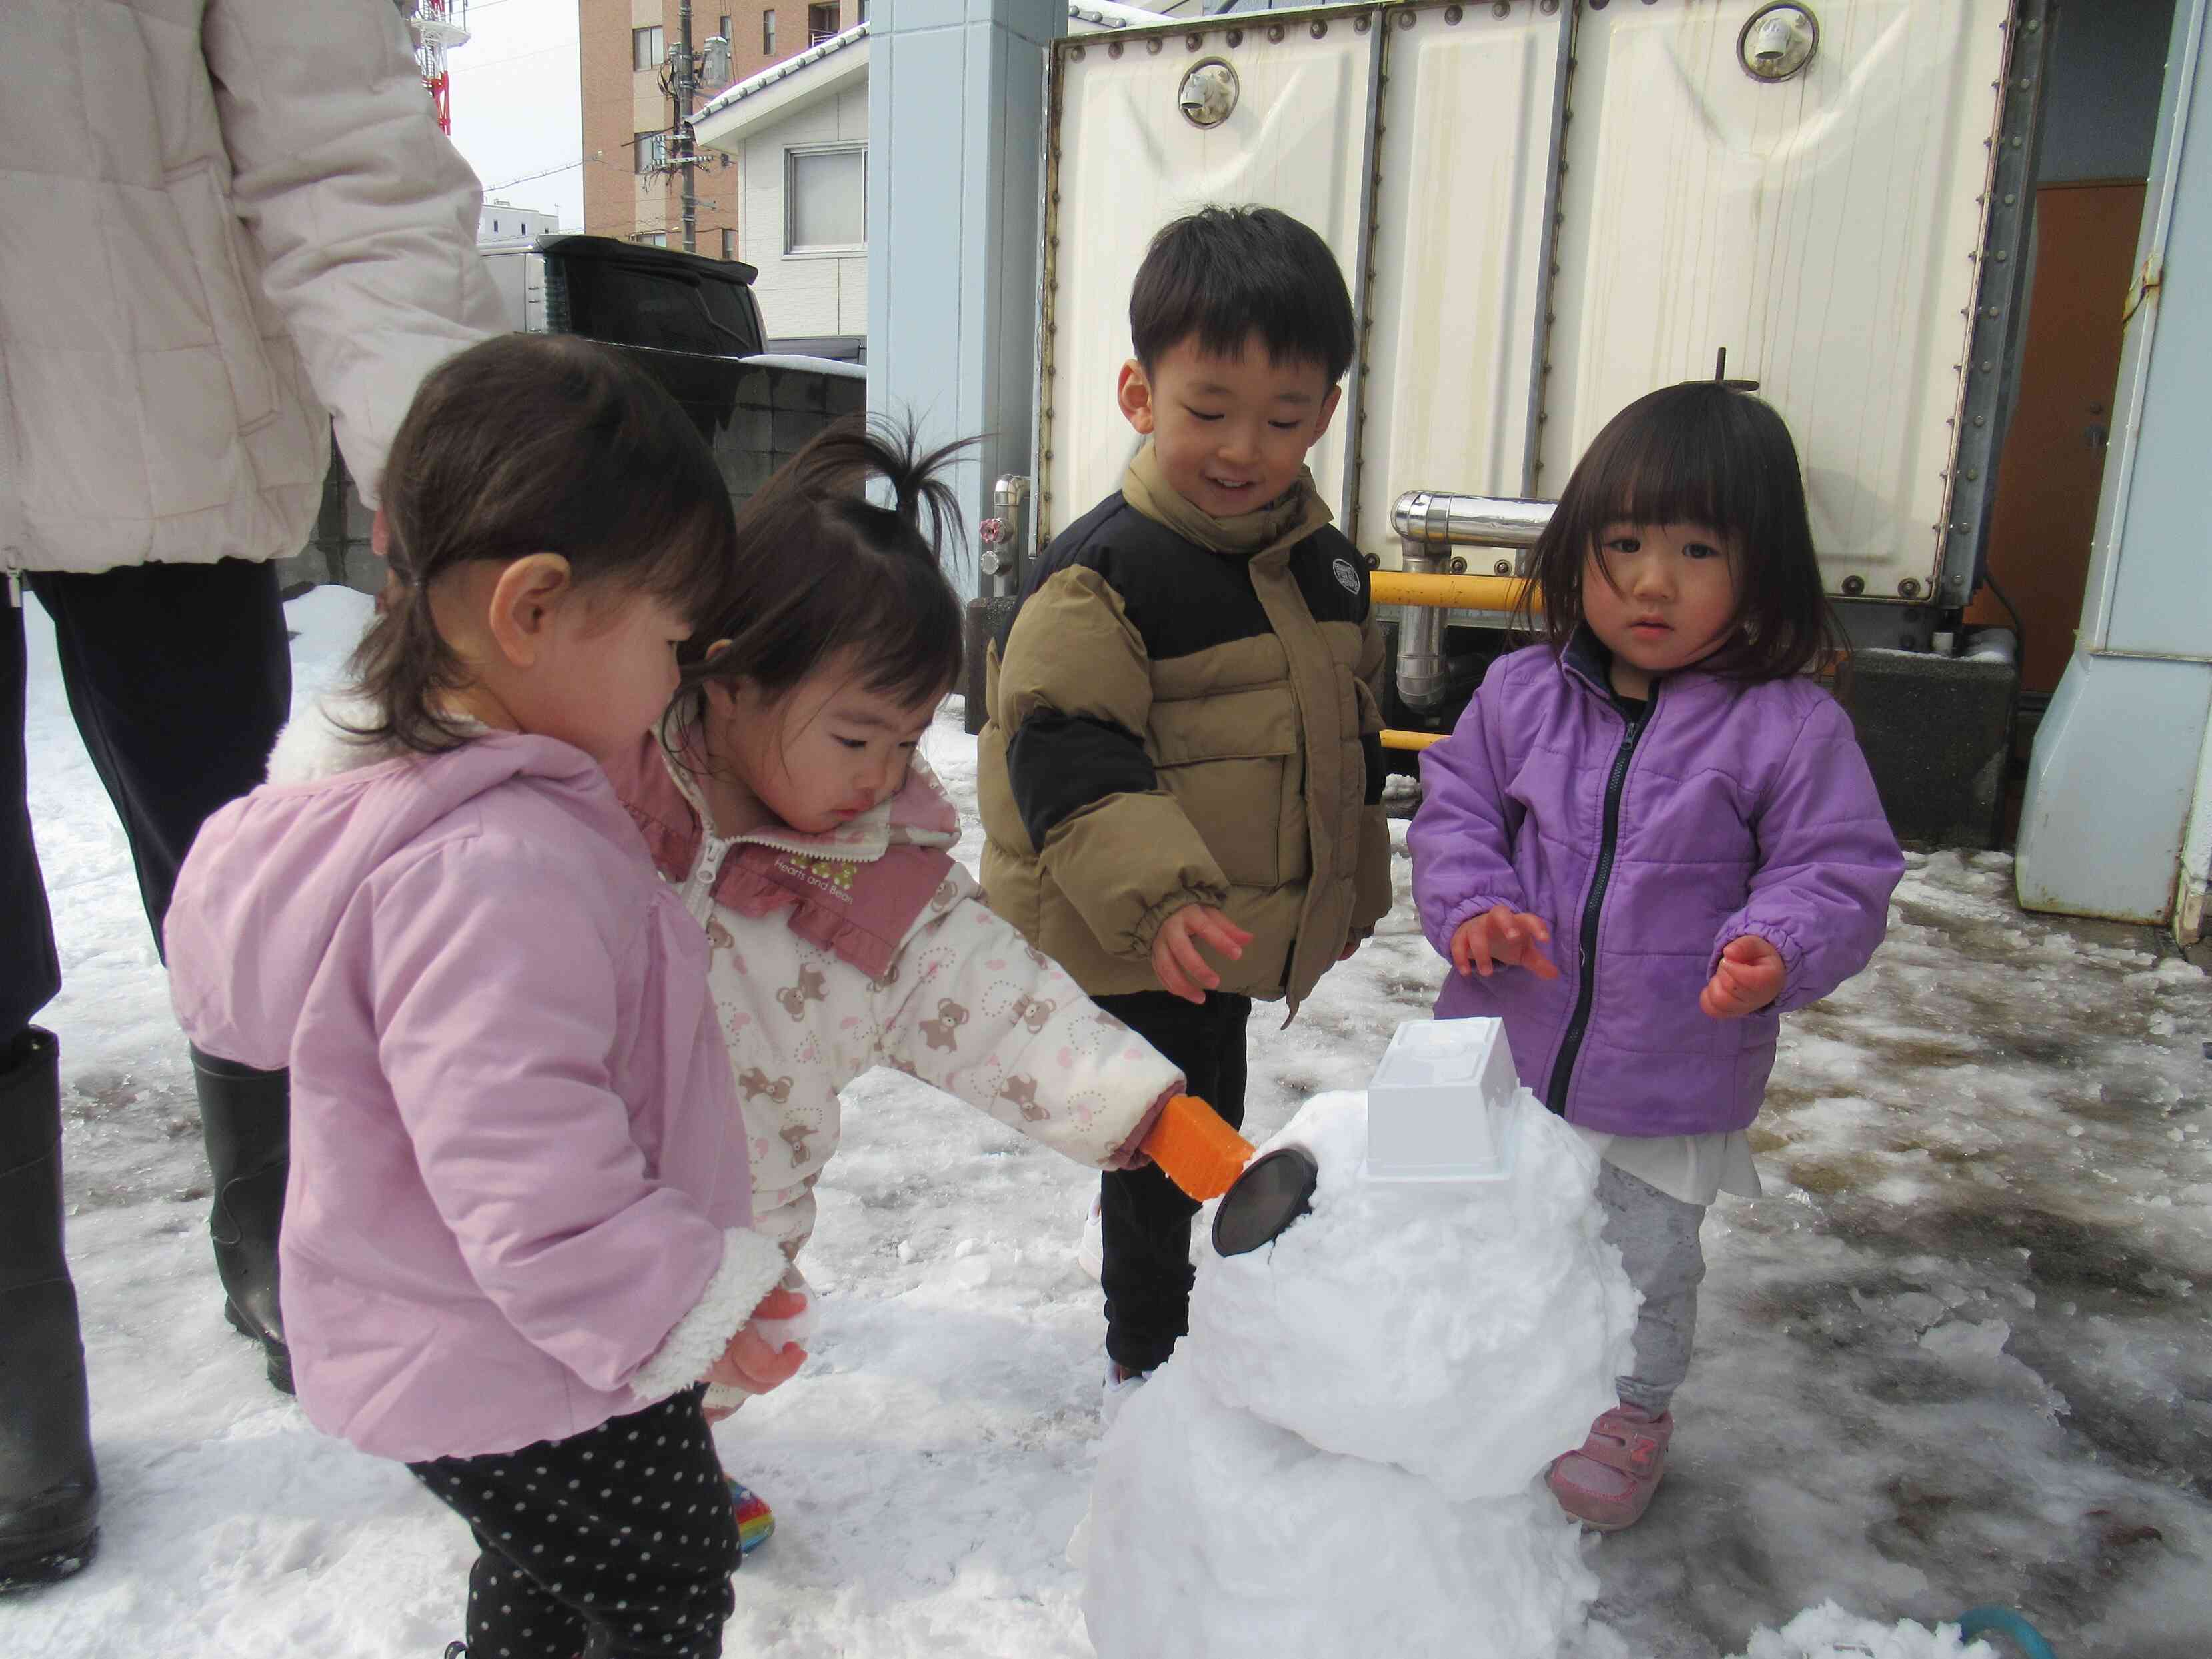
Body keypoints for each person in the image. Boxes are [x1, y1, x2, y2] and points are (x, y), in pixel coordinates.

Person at [162, 335, 805, 1659]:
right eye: (671, 640)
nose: (676, 683)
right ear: (532, 611)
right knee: (659, 1580)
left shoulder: (461, 810)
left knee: (556, 1572)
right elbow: (529, 1168)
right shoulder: (488, 866)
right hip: (529, 1351)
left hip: (506, 1338)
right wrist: (690, 1299)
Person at [0, 0, 505, 1590]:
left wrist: (464, 476)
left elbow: (343, 144)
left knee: (244, 871)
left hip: (152, 385)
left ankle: (294, 1226)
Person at [610, 415, 1189, 1539]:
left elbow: (998, 1002)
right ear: (728, 682)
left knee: (709, 1351)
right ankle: (590, 1501)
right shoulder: (611, 796)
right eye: (859, 737)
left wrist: (1132, 1099)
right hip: (590, 1180)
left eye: (910, 739)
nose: (886, 774)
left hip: (745, 1199)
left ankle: (677, 1457)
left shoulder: (876, 876)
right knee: (576, 1371)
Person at [1408, 381, 1905, 1532]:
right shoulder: (1523, 693)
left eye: (1696, 548)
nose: (1649, 579)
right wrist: (1474, 903)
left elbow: (1838, 869)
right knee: (1466, 1224)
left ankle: (1628, 1411)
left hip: (1669, 1069)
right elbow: (1455, 808)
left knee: (1640, 1258)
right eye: (1623, 541)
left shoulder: (1786, 725)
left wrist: (1774, 946)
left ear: (1764, 568)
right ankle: (1462, 1378)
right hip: (1498, 1044)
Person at [976, 206, 1394, 1414]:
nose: (1241, 446)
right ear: (1138, 392)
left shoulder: (1321, 563)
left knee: (1208, 1107)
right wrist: (1157, 899)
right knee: (1165, 1139)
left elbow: (1339, 745)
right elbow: (1063, 747)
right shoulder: (1103, 571)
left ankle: (1187, 1311)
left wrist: (1345, 888)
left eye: (1284, 415)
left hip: (1218, 936)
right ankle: (1147, 1346)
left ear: (1325, 412)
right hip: (1134, 929)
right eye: (1208, 408)